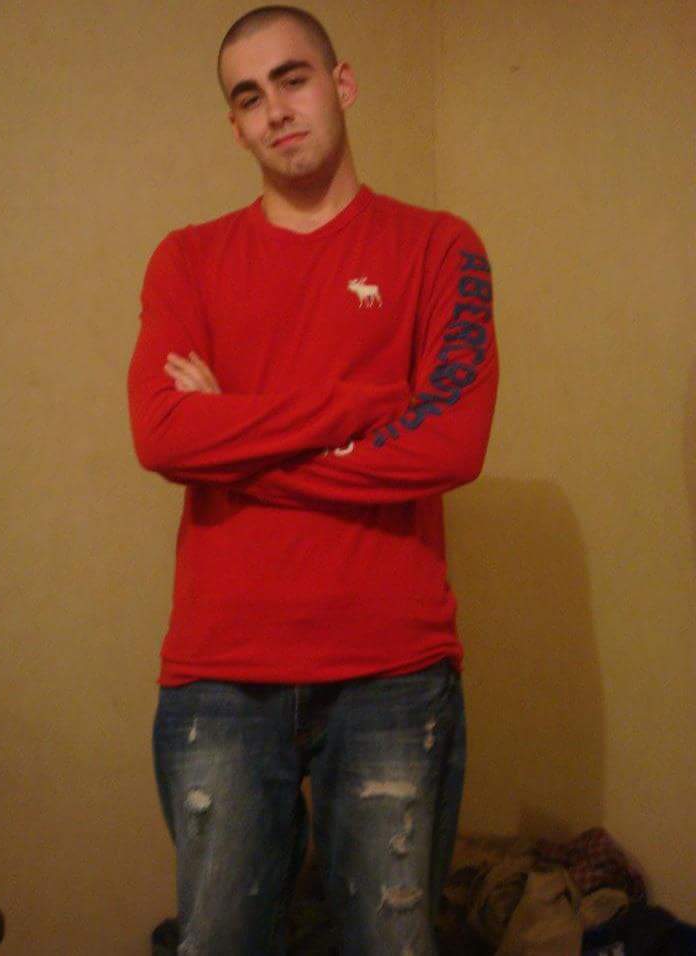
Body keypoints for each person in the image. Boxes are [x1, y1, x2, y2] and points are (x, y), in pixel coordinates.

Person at [127, 5, 498, 954]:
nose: (276, 110)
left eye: (293, 79)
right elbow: (163, 434)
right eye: (249, 97)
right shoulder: (187, 258)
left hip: (393, 672)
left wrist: (236, 446)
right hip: (219, 673)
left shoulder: (440, 247)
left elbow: (449, 446)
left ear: (342, 84)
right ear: (235, 125)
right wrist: (358, 407)